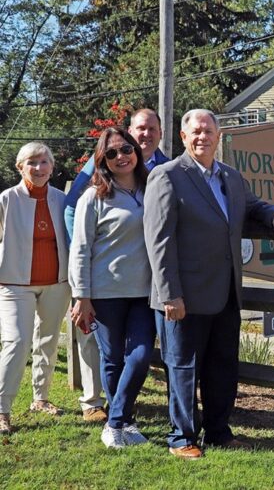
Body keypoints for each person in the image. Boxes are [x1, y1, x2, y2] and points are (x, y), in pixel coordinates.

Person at [144, 108, 274, 459]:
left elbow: (253, 205)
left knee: (222, 364)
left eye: (208, 131)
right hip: (182, 296)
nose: (202, 137)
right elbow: (158, 241)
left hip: (225, 292)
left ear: (218, 136)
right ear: (183, 137)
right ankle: (181, 437)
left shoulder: (230, 176)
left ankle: (218, 431)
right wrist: (170, 294)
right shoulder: (167, 176)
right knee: (182, 367)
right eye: (195, 132)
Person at [64, 108, 169, 422]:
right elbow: (81, 248)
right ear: (103, 160)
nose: (121, 156)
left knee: (139, 357)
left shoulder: (155, 186)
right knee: (111, 359)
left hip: (145, 292)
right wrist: (82, 296)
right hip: (105, 292)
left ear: (135, 151)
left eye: (126, 149)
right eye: (112, 153)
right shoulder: (93, 198)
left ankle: (117, 418)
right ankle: (123, 421)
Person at [0, 142, 72, 434]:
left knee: (48, 341)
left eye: (44, 162)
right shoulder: (7, 199)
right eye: (32, 162)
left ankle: (40, 399)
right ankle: (3, 410)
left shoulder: (62, 199)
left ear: (52, 167)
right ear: (20, 167)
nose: (39, 168)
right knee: (17, 342)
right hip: (15, 283)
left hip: (57, 282)